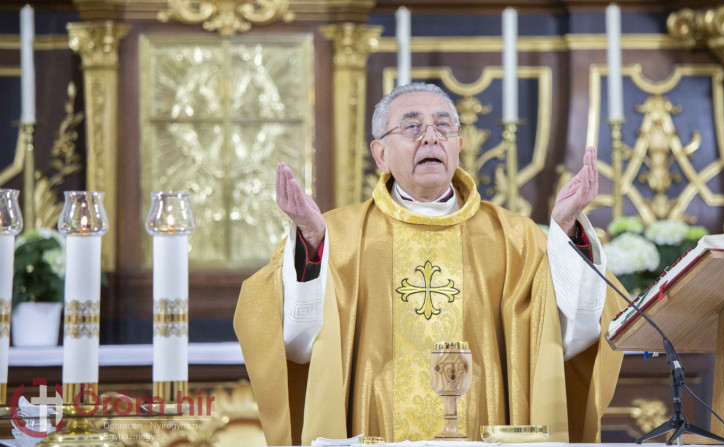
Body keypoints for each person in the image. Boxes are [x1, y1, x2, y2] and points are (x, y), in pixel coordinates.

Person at [234, 83, 626, 446]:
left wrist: (567, 229)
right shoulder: (337, 235)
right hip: (374, 427)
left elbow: (573, 330)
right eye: (412, 127)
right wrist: (310, 242)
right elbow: (291, 338)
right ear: (381, 154)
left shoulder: (514, 237)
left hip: (483, 427)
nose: (431, 137)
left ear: (458, 145)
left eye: (443, 126)